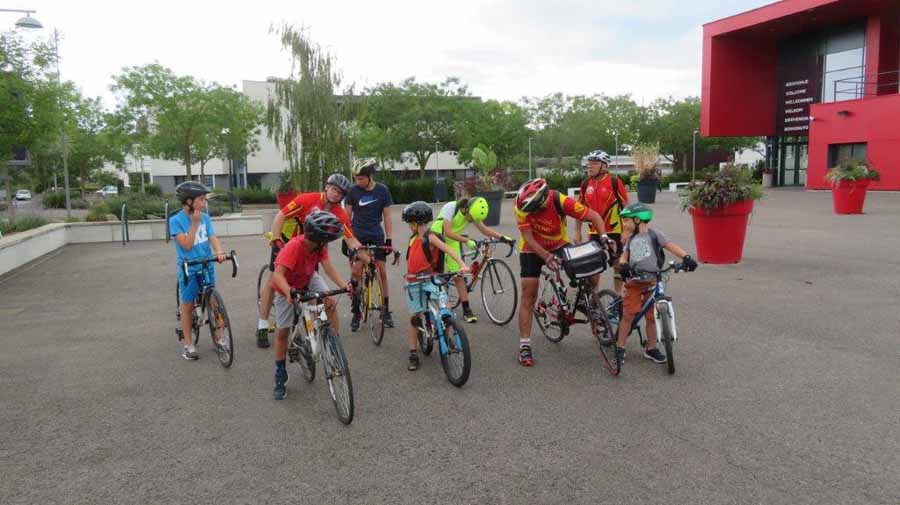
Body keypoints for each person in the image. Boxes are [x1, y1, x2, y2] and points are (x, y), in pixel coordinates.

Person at [255, 173, 364, 348]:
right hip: (288, 244)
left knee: (311, 287)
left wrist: (365, 255)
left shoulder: (339, 214)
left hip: (313, 250)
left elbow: (351, 239)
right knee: (273, 280)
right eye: (334, 189)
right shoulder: (307, 199)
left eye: (340, 193)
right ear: (327, 187)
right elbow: (281, 215)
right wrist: (276, 240)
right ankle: (262, 324)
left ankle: (311, 329)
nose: (336, 194)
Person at [514, 178, 607, 367]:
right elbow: (528, 238)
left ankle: (583, 300)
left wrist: (604, 238)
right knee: (528, 294)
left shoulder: (559, 200)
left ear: (542, 200)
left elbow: (594, 216)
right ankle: (524, 345)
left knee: (589, 266)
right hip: (531, 249)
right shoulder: (521, 207)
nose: (532, 214)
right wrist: (546, 256)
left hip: (558, 243)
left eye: (534, 210)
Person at [269, 211, 353, 400]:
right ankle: (280, 374)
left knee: (329, 300)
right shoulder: (294, 246)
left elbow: (328, 267)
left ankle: (333, 346)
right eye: (326, 238)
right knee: (283, 333)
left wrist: (344, 286)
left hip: (307, 277)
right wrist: (289, 292)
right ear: (317, 237)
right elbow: (277, 275)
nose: (328, 242)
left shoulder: (319, 245)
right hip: (286, 285)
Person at [614, 203, 698, 371]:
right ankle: (620, 347)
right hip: (635, 282)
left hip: (653, 281)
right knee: (628, 315)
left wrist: (686, 257)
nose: (625, 224)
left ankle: (651, 348)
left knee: (652, 317)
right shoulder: (631, 239)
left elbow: (671, 246)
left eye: (627, 221)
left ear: (637, 220)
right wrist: (623, 265)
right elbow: (624, 256)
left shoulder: (655, 234)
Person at [401, 201, 470, 371]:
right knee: (415, 318)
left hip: (431, 278)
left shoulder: (430, 237)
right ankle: (413, 352)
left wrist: (462, 264)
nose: (409, 226)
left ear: (416, 223)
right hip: (414, 281)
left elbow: (449, 250)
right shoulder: (412, 239)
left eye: (410, 223)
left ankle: (448, 334)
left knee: (445, 305)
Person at [430, 196, 514, 323]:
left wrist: (503, 237)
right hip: (437, 239)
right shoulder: (451, 207)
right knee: (436, 273)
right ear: (466, 209)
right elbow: (447, 232)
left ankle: (466, 309)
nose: (472, 221)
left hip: (452, 241)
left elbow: (484, 229)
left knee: (459, 275)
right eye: (472, 218)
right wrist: (467, 241)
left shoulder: (472, 213)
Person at [170, 181, 226, 361]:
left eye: (205, 199)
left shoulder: (205, 217)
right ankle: (188, 345)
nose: (204, 202)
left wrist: (218, 252)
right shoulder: (175, 221)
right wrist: (194, 224)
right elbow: (186, 246)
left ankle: (219, 337)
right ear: (189, 201)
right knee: (187, 306)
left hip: (206, 264)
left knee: (213, 302)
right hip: (189, 267)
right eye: (201, 199)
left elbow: (212, 237)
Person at [345, 158, 396, 330]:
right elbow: (346, 218)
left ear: (370, 176)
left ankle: (386, 310)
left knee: (382, 271)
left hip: (376, 234)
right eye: (356, 178)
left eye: (361, 178)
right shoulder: (352, 191)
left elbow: (387, 216)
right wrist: (348, 239)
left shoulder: (382, 190)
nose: (357, 181)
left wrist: (389, 239)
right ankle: (356, 311)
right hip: (358, 235)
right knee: (356, 271)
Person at [574, 150, 630, 294]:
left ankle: (618, 296)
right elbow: (579, 210)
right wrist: (577, 232)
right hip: (594, 232)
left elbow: (626, 208)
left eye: (594, 163)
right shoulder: (585, 184)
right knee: (593, 266)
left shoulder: (614, 182)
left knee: (618, 264)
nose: (590, 166)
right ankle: (595, 298)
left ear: (604, 166)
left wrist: (626, 230)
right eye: (589, 163)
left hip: (615, 230)